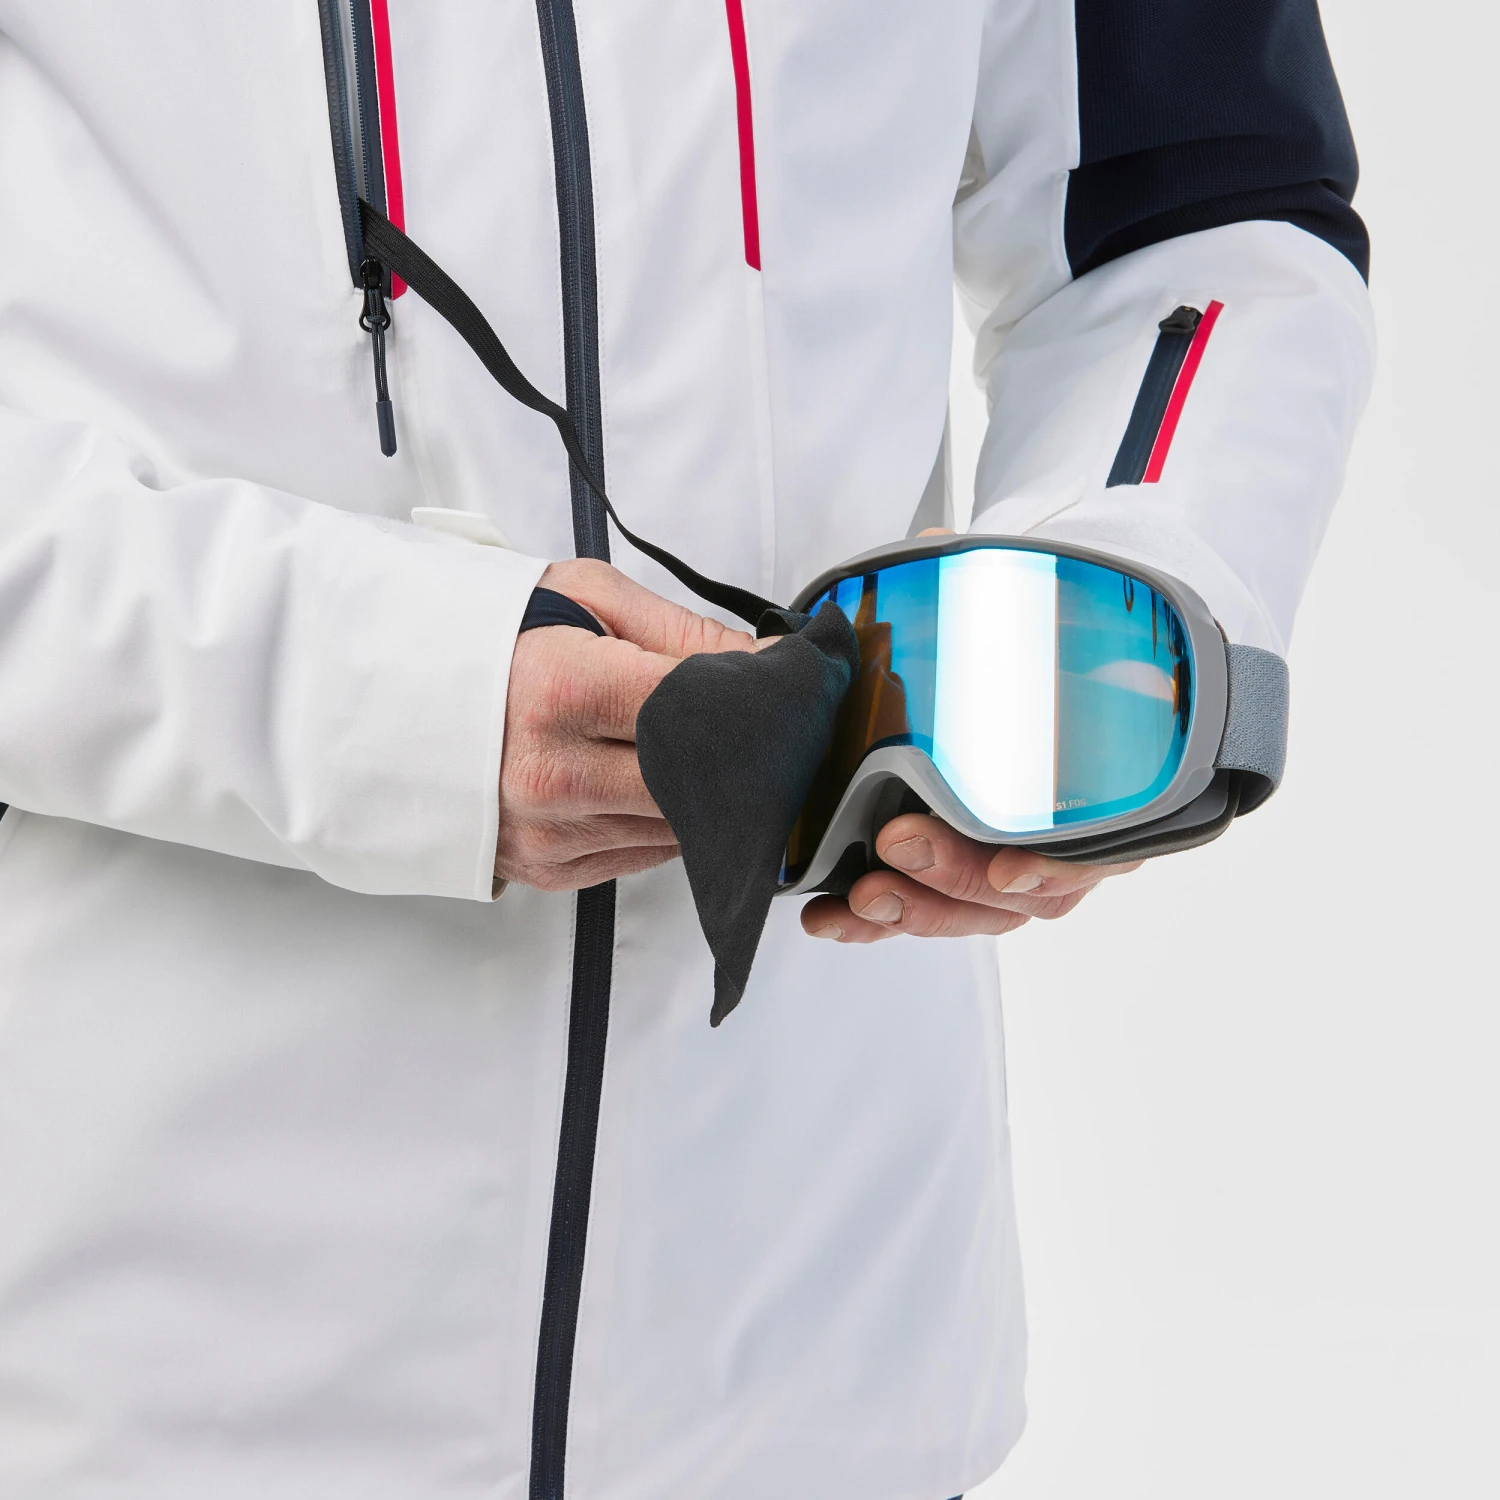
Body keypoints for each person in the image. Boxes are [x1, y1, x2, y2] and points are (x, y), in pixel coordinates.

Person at [0, 1, 1371, 1495]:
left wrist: (1112, 616)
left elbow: (1202, 206)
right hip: (135, 1375)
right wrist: (377, 698)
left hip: (829, 1352)